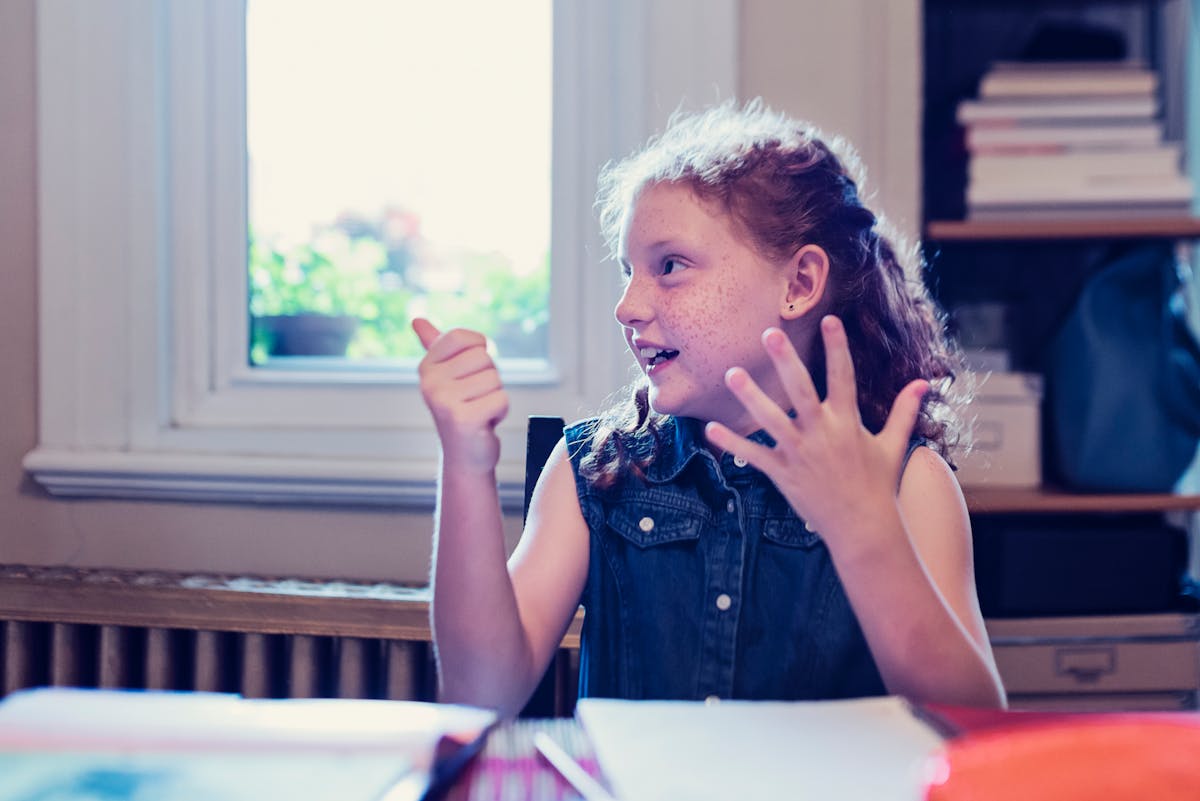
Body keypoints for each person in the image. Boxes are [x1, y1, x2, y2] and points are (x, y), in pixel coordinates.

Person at [413, 99, 1007, 718]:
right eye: (628, 272)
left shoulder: (906, 482)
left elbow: (970, 725)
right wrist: (465, 462)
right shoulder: (592, 471)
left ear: (799, 285)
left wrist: (864, 529)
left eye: (670, 266)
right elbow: (480, 694)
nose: (627, 306)